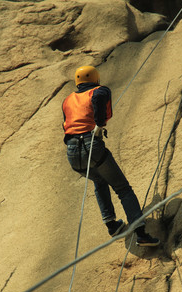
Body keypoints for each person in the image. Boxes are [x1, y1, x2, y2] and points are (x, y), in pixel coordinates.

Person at [62, 65, 160, 247]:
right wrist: (99, 123)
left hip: (72, 153)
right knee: (123, 189)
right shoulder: (99, 90)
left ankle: (112, 225)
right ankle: (141, 234)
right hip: (91, 145)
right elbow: (99, 99)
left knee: (99, 181)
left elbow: (66, 123)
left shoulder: (68, 99)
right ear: (96, 78)